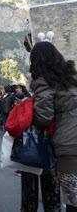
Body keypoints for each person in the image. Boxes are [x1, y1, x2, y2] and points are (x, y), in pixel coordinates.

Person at [29, 42, 77, 212]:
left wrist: (28, 111)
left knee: (73, 196)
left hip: (68, 144)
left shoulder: (43, 81)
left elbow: (44, 116)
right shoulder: (72, 76)